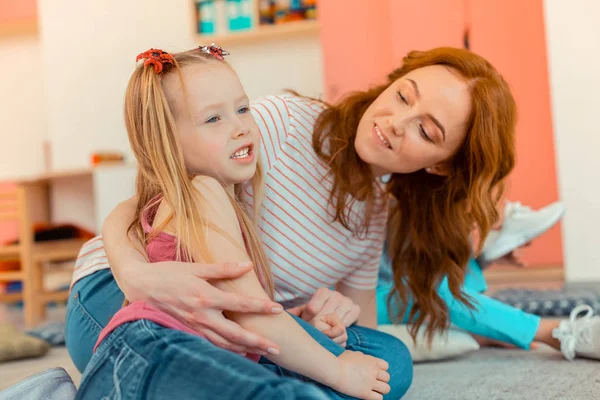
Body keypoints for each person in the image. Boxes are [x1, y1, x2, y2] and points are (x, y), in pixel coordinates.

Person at [68, 46, 517, 396]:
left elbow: (353, 333)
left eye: (427, 131)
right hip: (118, 292)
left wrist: (327, 321)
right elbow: (153, 193)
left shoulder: (374, 216)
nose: (396, 122)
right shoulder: (283, 124)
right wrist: (135, 274)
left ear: (441, 166)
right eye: (402, 95)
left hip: (247, 318)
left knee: (389, 362)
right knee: (308, 366)